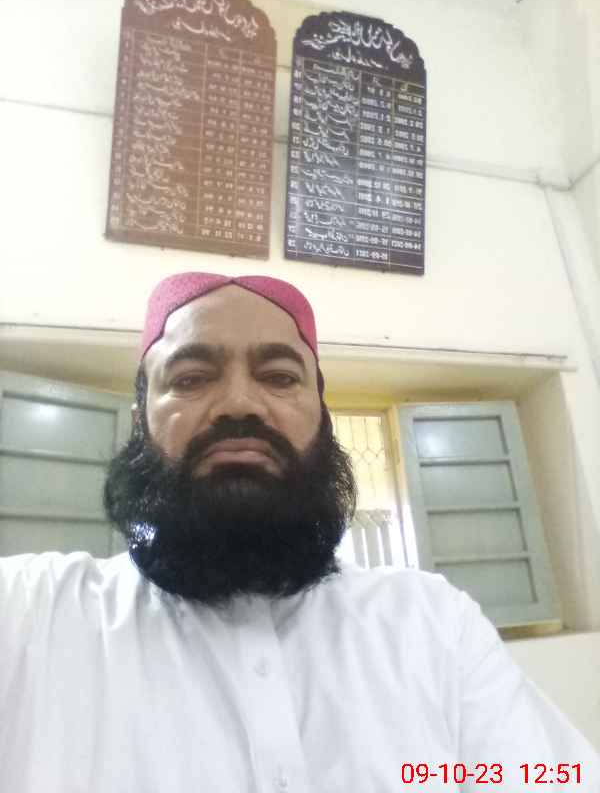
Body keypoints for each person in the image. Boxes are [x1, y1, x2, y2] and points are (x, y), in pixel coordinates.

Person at [0, 272, 598, 792]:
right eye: (191, 378)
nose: (239, 404)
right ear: (141, 423)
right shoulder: (30, 614)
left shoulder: (432, 624)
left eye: (280, 376)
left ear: (322, 417)